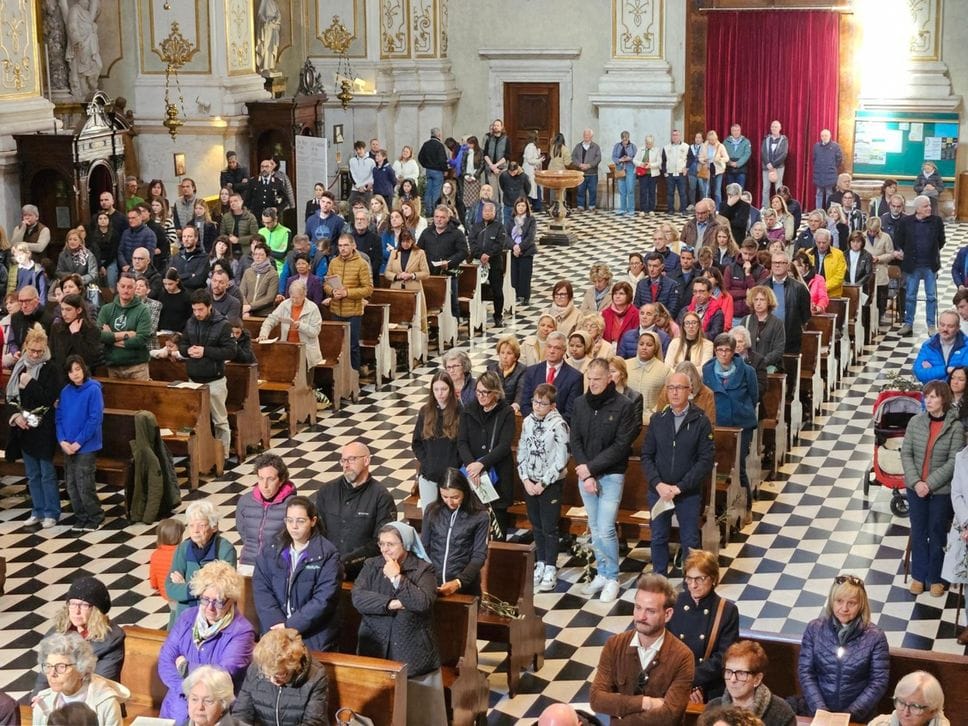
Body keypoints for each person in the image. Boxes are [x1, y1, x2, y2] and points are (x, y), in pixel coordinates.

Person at [352, 522, 447, 726]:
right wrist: (391, 603)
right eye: (382, 544)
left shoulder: (423, 569)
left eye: (391, 544)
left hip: (412, 652)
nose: (385, 549)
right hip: (375, 648)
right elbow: (358, 598)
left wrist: (397, 578)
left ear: (405, 544)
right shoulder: (371, 565)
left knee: (415, 716)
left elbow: (422, 603)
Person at [570, 358, 639, 602]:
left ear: (609, 377)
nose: (593, 383)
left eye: (597, 379)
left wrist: (589, 469)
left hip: (611, 475)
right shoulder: (579, 404)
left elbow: (621, 446)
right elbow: (575, 439)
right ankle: (601, 572)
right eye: (589, 378)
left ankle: (612, 578)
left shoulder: (624, 406)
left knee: (607, 528)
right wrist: (584, 471)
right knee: (595, 527)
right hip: (585, 475)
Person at [589, 573, 696, 723]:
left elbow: (670, 715)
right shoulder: (614, 645)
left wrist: (621, 714)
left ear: (667, 614)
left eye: (650, 611)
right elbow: (596, 699)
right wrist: (646, 703)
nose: (641, 617)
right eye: (638, 608)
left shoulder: (683, 656)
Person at [159, 561, 255, 723]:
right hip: (175, 710)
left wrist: (185, 666)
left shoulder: (242, 631)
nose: (210, 607)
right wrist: (186, 690)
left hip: (213, 714)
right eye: (205, 599)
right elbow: (165, 660)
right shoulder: (187, 618)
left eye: (218, 602)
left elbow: (222, 675)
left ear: (231, 600)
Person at [795, 574, 889, 722]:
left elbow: (878, 682)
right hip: (817, 712)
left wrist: (848, 716)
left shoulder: (876, 637)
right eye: (839, 601)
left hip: (858, 717)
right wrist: (821, 710)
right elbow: (806, 672)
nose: (844, 608)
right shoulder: (814, 629)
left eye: (851, 603)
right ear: (831, 601)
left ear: (861, 605)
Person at [253, 495, 342, 651]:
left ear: (313, 521)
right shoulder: (271, 549)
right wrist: (278, 627)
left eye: (300, 521)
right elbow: (262, 588)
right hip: (274, 632)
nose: (294, 526)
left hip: (312, 636)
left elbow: (324, 599)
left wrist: (290, 626)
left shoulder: (327, 554)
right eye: (289, 520)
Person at [901, 380, 963, 596]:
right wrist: (917, 482)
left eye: (934, 396)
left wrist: (929, 484)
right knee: (918, 531)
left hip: (940, 491)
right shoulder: (915, 422)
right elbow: (906, 453)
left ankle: (935, 578)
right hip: (915, 487)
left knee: (937, 533)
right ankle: (919, 576)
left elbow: (953, 462)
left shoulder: (955, 427)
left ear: (943, 399)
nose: (928, 400)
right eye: (926, 396)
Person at [314, 441, 397, 580]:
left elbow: (381, 543)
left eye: (352, 459)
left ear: (366, 460)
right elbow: (316, 533)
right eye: (343, 460)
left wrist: (345, 563)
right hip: (326, 569)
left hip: (364, 573)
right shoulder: (326, 492)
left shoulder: (382, 497)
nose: (346, 465)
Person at [517, 381, 570, 592]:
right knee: (536, 524)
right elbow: (522, 449)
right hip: (530, 482)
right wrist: (525, 479)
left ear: (553, 405)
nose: (537, 406)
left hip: (550, 484)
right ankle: (539, 561)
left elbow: (561, 459)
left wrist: (542, 483)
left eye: (542, 403)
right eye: (535, 402)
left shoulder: (559, 425)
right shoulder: (528, 421)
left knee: (549, 527)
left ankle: (550, 566)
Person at [32, 575, 125, 696]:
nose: (76, 611)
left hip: (95, 701)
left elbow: (100, 684)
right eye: (73, 604)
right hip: (59, 696)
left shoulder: (112, 639)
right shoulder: (57, 631)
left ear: (96, 610)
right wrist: (38, 697)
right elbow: (46, 671)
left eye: (84, 605)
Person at [6, 324, 60, 528]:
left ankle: (51, 512)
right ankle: (37, 510)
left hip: (43, 427)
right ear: (26, 346)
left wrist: (30, 383)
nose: (36, 355)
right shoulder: (19, 365)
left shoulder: (51, 368)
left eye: (40, 351)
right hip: (24, 426)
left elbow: (48, 398)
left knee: (46, 472)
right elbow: (10, 397)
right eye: (32, 350)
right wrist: (16, 417)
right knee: (32, 473)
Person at [668, 550, 739, 703]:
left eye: (700, 579)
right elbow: (664, 645)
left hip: (708, 684)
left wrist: (693, 682)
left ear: (713, 578)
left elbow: (723, 657)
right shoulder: (675, 602)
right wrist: (682, 683)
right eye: (689, 578)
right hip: (674, 680)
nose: (693, 585)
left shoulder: (726, 610)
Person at [458, 370, 515, 539]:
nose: (481, 396)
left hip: (498, 473)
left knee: (498, 520)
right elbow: (462, 442)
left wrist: (481, 464)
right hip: (473, 475)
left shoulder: (506, 412)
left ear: (496, 392)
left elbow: (504, 445)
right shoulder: (469, 410)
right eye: (478, 391)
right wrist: (471, 465)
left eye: (485, 392)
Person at [180, 289, 236, 458]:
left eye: (200, 310)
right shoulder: (191, 322)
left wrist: (205, 351)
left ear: (209, 307)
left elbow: (230, 352)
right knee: (194, 421)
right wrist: (187, 350)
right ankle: (199, 454)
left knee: (219, 420)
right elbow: (182, 344)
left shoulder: (223, 324)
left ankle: (223, 455)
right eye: (194, 309)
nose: (197, 313)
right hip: (193, 378)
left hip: (214, 380)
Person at [232, 628, 328, 726]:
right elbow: (242, 713)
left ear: (295, 665)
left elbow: (314, 722)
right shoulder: (256, 668)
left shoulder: (316, 675)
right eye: (267, 675)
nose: (273, 680)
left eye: (281, 674)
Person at [165, 500, 238, 628]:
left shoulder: (225, 550)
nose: (195, 531)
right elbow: (170, 589)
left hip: (214, 619)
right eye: (191, 525)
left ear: (214, 526)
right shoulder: (183, 548)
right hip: (184, 618)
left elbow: (221, 591)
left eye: (201, 525)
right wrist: (202, 588)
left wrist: (187, 587)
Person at [33, 632, 129, 725]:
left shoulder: (106, 704)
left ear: (81, 670)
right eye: (48, 666)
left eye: (61, 667)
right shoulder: (43, 701)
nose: (52, 674)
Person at [421, 467, 489, 596]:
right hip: (434, 584)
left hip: (465, 586)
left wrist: (459, 582)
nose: (449, 502)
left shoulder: (479, 516)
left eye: (455, 497)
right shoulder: (431, 510)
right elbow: (424, 547)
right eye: (444, 496)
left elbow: (479, 556)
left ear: (465, 492)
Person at [55, 356, 104, 531]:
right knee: (71, 484)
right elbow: (59, 418)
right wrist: (62, 440)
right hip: (68, 446)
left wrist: (78, 442)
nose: (75, 374)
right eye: (71, 371)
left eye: (77, 369)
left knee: (85, 484)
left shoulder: (93, 389)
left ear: (83, 369)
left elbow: (94, 419)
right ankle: (81, 516)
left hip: (86, 446)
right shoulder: (65, 392)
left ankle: (95, 516)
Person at [704, 641, 797, 726]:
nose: (732, 679)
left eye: (741, 674)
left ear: (757, 679)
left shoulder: (781, 712)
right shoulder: (713, 707)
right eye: (728, 672)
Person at [235, 453, 297, 565]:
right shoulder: (245, 501)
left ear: (281, 480)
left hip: (278, 565)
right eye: (261, 478)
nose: (265, 485)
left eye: (271, 479)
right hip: (249, 562)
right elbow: (243, 532)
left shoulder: (293, 505)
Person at [323, 234, 373, 371]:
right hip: (336, 310)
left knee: (352, 346)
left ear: (353, 246)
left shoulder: (362, 264)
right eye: (340, 245)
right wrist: (333, 292)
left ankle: (354, 377)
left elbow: (368, 289)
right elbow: (326, 284)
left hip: (353, 311)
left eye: (345, 245)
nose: (343, 248)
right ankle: (340, 378)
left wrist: (347, 293)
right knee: (337, 346)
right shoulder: (334, 262)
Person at [258, 279, 322, 374]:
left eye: (297, 298)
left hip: (306, 352)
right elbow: (271, 319)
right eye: (292, 297)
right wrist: (264, 334)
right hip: (287, 349)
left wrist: (300, 326)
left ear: (305, 295)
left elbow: (315, 331)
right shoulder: (285, 305)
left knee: (305, 382)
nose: (294, 300)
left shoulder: (312, 308)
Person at [518, 331, 583, 423]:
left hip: (558, 430)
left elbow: (570, 412)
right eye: (549, 347)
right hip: (533, 428)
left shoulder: (575, 377)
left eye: (557, 348)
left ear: (564, 351)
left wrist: (548, 426)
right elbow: (525, 404)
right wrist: (537, 423)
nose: (552, 351)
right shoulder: (531, 372)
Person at [96, 273, 151, 379]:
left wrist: (111, 338)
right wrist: (127, 334)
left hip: (137, 367)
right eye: (123, 286)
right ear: (117, 286)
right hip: (113, 365)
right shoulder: (106, 309)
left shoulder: (143, 310)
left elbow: (141, 339)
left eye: (130, 287)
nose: (126, 290)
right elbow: (99, 335)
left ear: (135, 288)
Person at [468, 200, 507, 326]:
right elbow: (472, 243)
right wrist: (480, 255)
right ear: (481, 212)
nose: (487, 213)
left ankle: (498, 316)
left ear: (495, 213)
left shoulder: (499, 227)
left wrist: (488, 254)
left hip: (494, 263)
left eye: (490, 211)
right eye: (485, 211)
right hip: (478, 263)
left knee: (497, 291)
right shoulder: (475, 227)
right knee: (475, 290)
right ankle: (476, 315)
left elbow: (499, 244)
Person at [767, 251, 812, 355]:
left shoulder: (799, 288)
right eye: (774, 263)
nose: (777, 265)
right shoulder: (763, 286)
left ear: (787, 265)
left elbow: (805, 316)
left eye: (781, 262)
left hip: (791, 340)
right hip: (767, 340)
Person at [868, 670, 950, 726]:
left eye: (915, 706)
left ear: (933, 710)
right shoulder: (879, 724)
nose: (906, 713)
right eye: (901, 702)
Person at [913, 309, 966, 383]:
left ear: (958, 328)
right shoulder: (928, 346)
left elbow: (965, 375)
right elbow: (919, 374)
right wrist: (946, 370)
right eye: (942, 324)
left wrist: (932, 370)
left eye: (950, 326)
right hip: (934, 393)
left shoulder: (966, 347)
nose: (945, 329)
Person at [507, 196, 537, 305]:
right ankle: (515, 294)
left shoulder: (531, 220)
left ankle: (525, 296)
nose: (520, 208)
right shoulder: (511, 219)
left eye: (523, 205)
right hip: (513, 250)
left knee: (525, 274)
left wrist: (520, 247)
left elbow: (530, 236)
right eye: (518, 205)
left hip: (526, 250)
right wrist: (514, 246)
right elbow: (506, 235)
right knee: (514, 274)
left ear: (526, 207)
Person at [150, 518, 185, 604]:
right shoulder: (182, 552)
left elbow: (153, 579)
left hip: (165, 593)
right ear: (179, 537)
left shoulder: (155, 555)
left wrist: (155, 586)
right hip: (181, 591)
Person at [418, 128, 450, 216]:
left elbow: (420, 157)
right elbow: (442, 160)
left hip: (428, 171)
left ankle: (428, 211)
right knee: (436, 192)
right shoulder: (439, 145)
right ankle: (435, 212)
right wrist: (445, 170)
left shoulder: (426, 144)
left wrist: (426, 165)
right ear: (439, 135)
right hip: (438, 171)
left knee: (428, 191)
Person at [488, 335, 526, 405]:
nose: (505, 357)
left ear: (515, 356)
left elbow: (520, 391)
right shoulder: (491, 368)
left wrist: (516, 404)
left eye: (509, 353)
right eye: (502, 353)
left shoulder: (522, 370)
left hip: (511, 409)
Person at [812, 129, 843, 210]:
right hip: (819, 174)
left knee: (829, 193)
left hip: (830, 174)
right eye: (822, 136)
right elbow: (814, 159)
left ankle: (829, 212)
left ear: (830, 136)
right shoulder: (816, 146)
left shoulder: (835, 146)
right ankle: (818, 212)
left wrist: (832, 167)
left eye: (826, 135)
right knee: (819, 193)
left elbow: (839, 159)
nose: (824, 137)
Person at [760, 121, 788, 209]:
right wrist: (768, 163)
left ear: (780, 128)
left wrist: (773, 164)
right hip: (766, 167)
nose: (774, 128)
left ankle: (779, 207)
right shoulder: (766, 139)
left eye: (776, 127)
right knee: (765, 188)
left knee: (779, 188)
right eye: (772, 127)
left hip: (778, 167)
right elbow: (763, 152)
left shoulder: (784, 140)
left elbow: (784, 153)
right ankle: (765, 208)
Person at [573, 128, 602, 211]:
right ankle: (580, 206)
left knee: (593, 190)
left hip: (592, 173)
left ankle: (592, 206)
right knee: (580, 190)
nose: (586, 136)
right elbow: (573, 157)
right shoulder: (578, 146)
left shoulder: (596, 147)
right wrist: (579, 164)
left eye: (588, 135)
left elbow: (598, 158)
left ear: (591, 136)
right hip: (581, 173)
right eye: (585, 135)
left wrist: (589, 165)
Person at [612, 131, 637, 216]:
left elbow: (636, 158)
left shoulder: (633, 146)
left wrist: (629, 158)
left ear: (629, 138)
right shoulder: (617, 146)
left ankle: (631, 209)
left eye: (626, 139)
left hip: (630, 168)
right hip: (620, 168)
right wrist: (620, 160)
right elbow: (613, 157)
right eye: (623, 139)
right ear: (621, 138)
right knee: (622, 190)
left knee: (630, 189)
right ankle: (622, 208)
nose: (625, 141)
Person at [723, 124, 751, 190]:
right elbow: (723, 154)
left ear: (740, 131)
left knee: (740, 189)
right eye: (734, 130)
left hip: (741, 169)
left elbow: (747, 154)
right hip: (729, 169)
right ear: (731, 131)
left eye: (737, 130)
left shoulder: (746, 141)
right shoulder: (726, 142)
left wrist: (737, 163)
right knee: (730, 190)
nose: (736, 132)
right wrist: (729, 162)